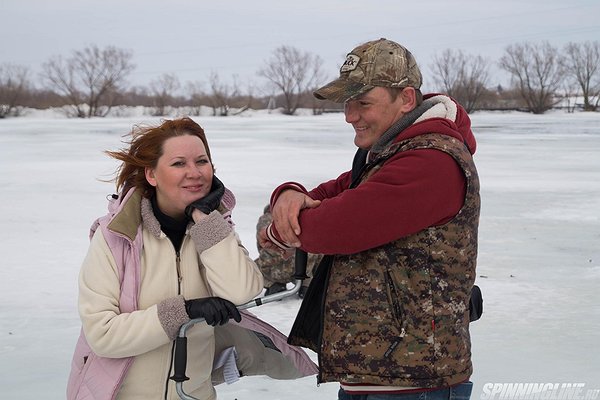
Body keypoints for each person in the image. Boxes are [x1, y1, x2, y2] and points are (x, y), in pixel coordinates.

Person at [259, 38, 480, 400]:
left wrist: (281, 227)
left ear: (406, 99)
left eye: (363, 102)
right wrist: (288, 193)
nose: (350, 116)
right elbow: (327, 194)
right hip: (376, 375)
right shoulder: (387, 154)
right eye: (348, 103)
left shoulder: (432, 163)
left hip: (415, 381)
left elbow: (334, 226)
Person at [67, 117, 264, 400]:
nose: (195, 173)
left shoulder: (214, 229)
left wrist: (204, 220)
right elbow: (103, 335)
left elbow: (242, 291)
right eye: (179, 163)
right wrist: (184, 312)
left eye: (202, 161)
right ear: (152, 175)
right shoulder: (116, 237)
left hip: (194, 394)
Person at [254, 204, 321, 297]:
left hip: (275, 270)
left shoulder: (264, 220)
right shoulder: (302, 217)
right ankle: (306, 285)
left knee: (253, 266)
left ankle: (273, 285)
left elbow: (261, 246)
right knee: (315, 253)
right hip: (303, 269)